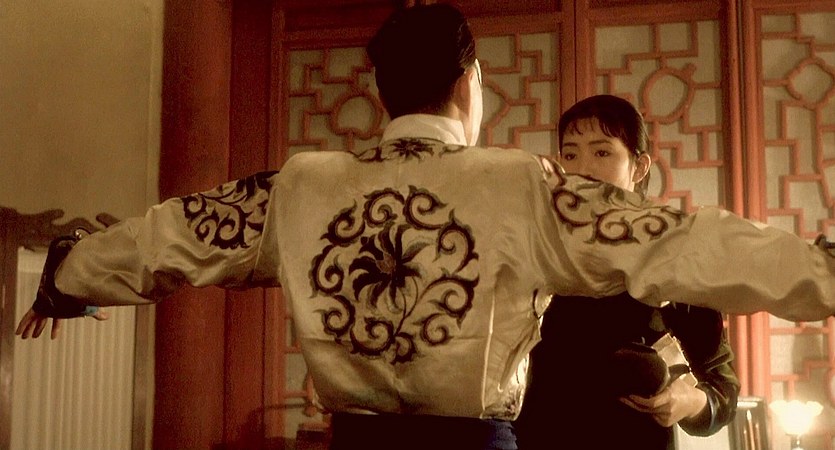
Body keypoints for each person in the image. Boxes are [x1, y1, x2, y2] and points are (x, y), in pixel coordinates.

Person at [13, 4, 835, 450]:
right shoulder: (522, 186)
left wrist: (66, 276)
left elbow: (171, 235)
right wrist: (821, 272)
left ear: (382, 89)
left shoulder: (300, 185)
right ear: (470, 81)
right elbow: (685, 241)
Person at [514, 94, 740, 450]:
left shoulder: (673, 255)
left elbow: (723, 390)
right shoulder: (536, 251)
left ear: (639, 167)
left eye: (602, 152)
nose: (583, 169)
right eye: (570, 155)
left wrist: (689, 401)